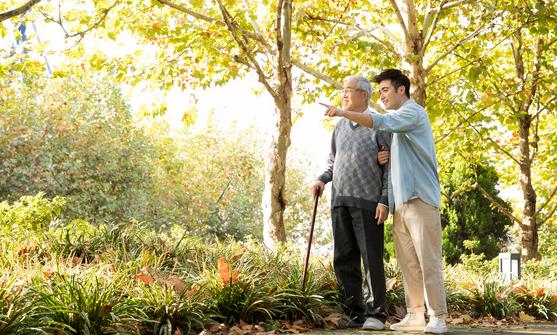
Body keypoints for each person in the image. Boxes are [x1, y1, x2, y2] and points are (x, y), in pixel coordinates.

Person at [321, 69, 448, 334]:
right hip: (401, 201)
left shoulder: (413, 113)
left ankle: (437, 316)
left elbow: (380, 124)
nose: (383, 96)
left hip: (420, 197)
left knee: (428, 260)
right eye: (380, 91)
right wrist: (385, 160)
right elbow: (389, 152)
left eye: (386, 90)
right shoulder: (392, 119)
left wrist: (343, 112)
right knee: (409, 263)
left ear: (402, 90)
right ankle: (415, 314)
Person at [312, 75, 391, 331]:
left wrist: (384, 200)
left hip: (368, 201)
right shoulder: (339, 127)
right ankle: (352, 312)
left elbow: (389, 166)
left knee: (371, 259)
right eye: (342, 90)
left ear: (364, 95)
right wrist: (322, 180)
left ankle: (376, 314)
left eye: (349, 90)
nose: (343, 94)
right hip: (340, 201)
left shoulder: (379, 124)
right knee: (343, 259)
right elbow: (332, 162)